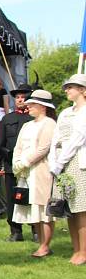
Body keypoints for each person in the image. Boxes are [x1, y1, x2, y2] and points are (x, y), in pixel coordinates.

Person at [12, 90, 57, 258]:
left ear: (42, 106)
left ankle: (45, 245)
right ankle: (41, 244)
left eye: (32, 104)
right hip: (25, 173)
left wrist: (25, 162)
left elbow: (43, 148)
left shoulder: (49, 124)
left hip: (41, 170)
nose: (28, 107)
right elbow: (18, 147)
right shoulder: (27, 125)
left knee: (44, 209)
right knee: (34, 209)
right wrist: (17, 163)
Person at [48, 74, 86, 265]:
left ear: (82, 90)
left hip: (78, 162)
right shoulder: (65, 112)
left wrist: (60, 162)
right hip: (61, 164)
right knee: (69, 209)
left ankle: (83, 251)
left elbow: (77, 139)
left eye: (71, 87)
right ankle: (76, 248)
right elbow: (56, 137)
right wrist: (53, 159)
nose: (67, 90)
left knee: (81, 209)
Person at [0, 83, 34, 242]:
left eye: (23, 97)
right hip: (11, 166)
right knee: (12, 199)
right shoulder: (7, 119)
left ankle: (36, 230)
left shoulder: (34, 119)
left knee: (32, 198)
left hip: (31, 166)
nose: (19, 100)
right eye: (17, 97)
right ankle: (15, 231)